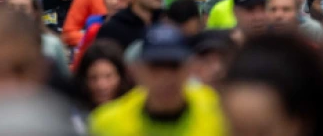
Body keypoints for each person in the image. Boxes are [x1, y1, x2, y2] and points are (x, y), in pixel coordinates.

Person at [90, 23, 227, 135]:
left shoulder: (220, 115)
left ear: (189, 68)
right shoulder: (107, 124)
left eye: (174, 66)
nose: (165, 77)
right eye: (156, 67)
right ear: (137, 70)